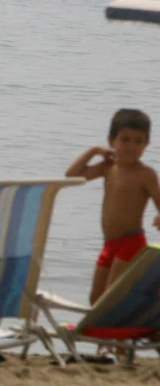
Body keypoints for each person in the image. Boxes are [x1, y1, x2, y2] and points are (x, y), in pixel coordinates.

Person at [66, 109, 160, 304]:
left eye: (138, 141)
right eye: (125, 140)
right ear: (112, 141)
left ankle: (122, 331)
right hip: (109, 243)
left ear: (146, 145)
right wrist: (92, 151)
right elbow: (71, 176)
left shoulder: (146, 174)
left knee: (110, 299)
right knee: (95, 300)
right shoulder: (108, 167)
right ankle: (103, 332)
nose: (131, 146)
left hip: (131, 242)